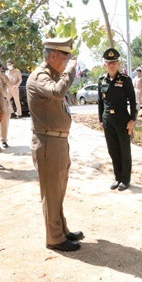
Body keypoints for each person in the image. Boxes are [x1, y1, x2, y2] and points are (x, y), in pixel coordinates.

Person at [26, 37, 83, 252]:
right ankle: (54, 238)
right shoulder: (41, 76)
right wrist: (70, 70)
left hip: (57, 141)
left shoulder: (52, 75)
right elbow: (58, 92)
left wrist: (66, 71)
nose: (68, 59)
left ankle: (61, 230)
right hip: (48, 142)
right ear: (52, 56)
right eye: (65, 56)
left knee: (58, 190)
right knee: (51, 192)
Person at [98, 48, 137, 191]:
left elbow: (133, 101)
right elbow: (100, 102)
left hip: (122, 120)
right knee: (113, 150)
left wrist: (133, 119)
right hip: (108, 120)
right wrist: (101, 119)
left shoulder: (125, 80)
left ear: (118, 63)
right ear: (105, 64)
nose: (111, 65)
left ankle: (125, 180)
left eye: (114, 62)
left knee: (124, 150)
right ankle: (117, 177)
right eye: (109, 62)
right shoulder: (101, 81)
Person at [0, 69, 12, 149]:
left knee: (5, 121)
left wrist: (1, 75)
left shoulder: (3, 76)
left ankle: (3, 140)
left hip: (3, 100)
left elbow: (9, 83)